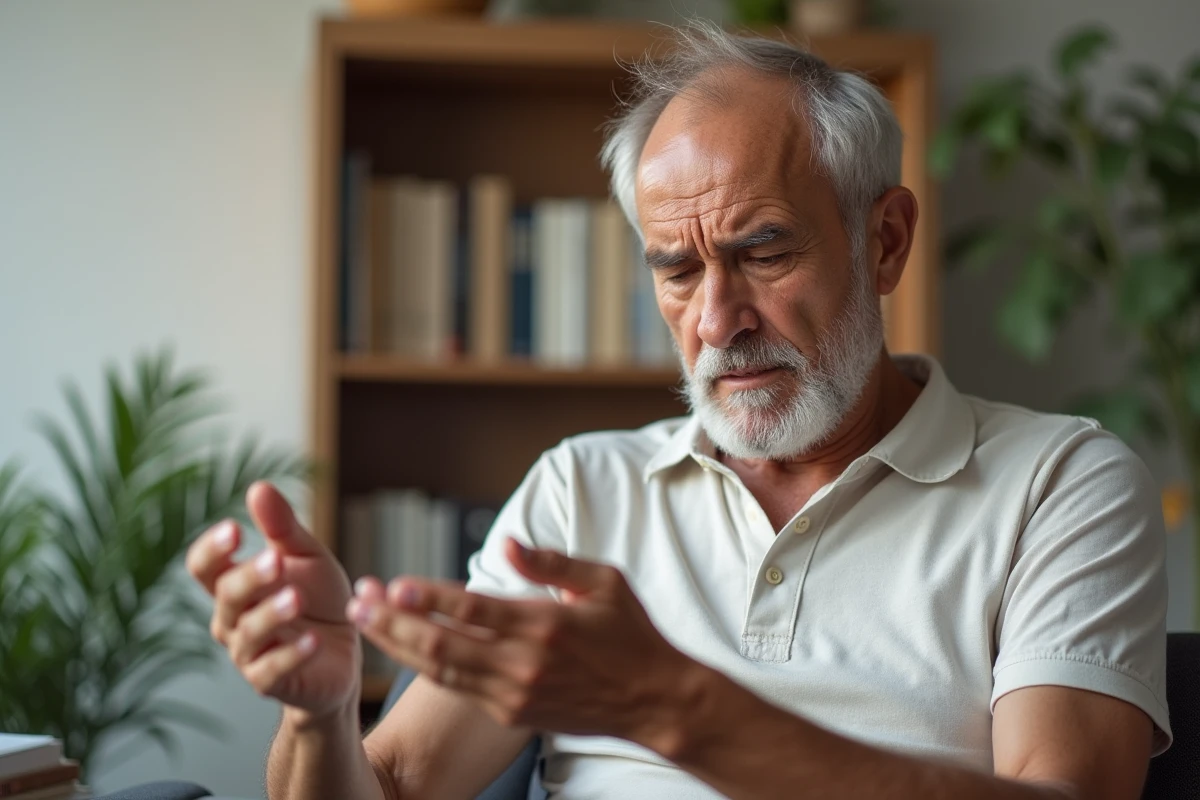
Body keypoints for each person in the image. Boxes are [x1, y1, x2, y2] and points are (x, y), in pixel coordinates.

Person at [186, 24, 1169, 800]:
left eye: (764, 250)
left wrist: (676, 705)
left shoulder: (1060, 482)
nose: (717, 319)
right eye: (678, 267)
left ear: (886, 240)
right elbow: (393, 784)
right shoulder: (583, 487)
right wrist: (317, 716)